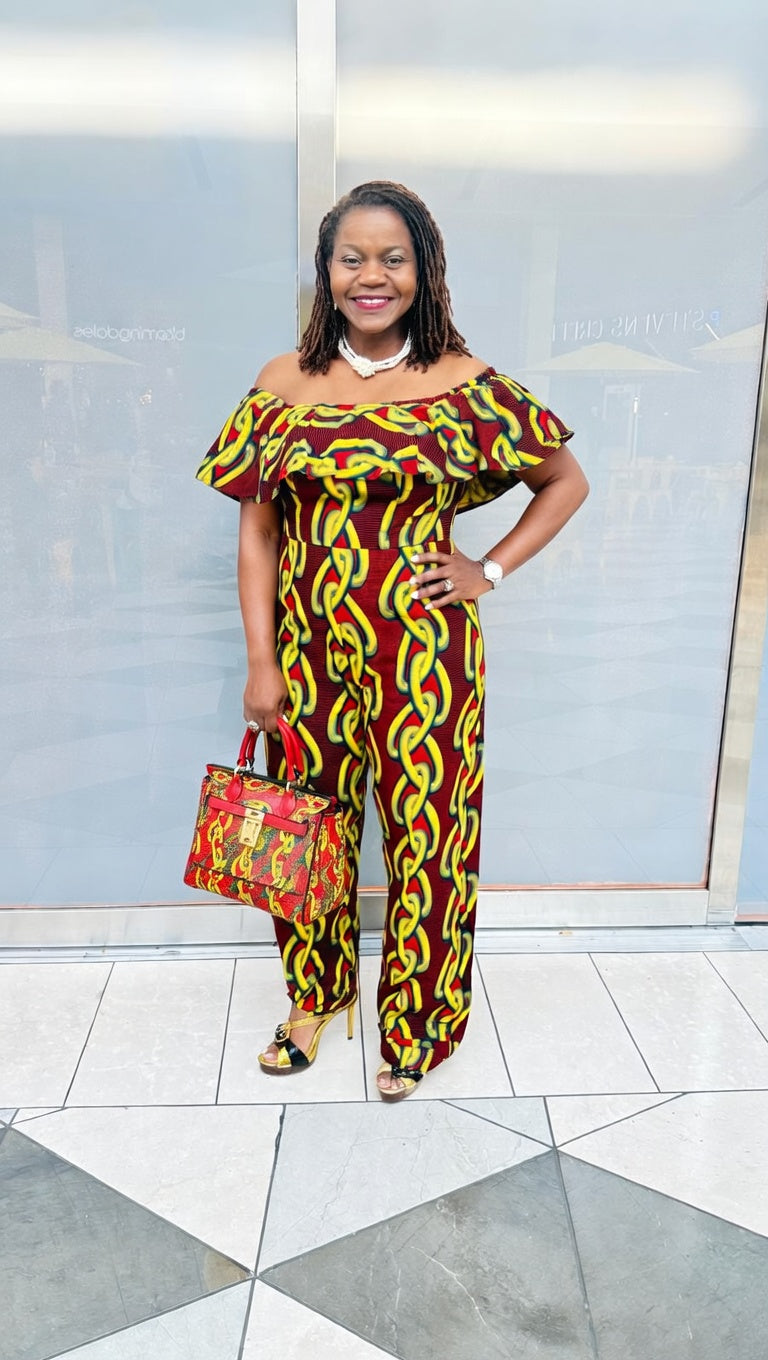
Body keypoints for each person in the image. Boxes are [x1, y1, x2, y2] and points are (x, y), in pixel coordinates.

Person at [196, 181, 588, 1100]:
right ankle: (317, 999)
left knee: (431, 835)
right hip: (306, 654)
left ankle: (417, 1025)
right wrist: (261, 661)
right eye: (352, 258)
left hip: (426, 654)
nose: (371, 276)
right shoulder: (282, 385)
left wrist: (487, 571)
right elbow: (258, 532)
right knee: (309, 830)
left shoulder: (463, 384)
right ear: (327, 272)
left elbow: (564, 480)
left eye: (393, 258)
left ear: (424, 271)